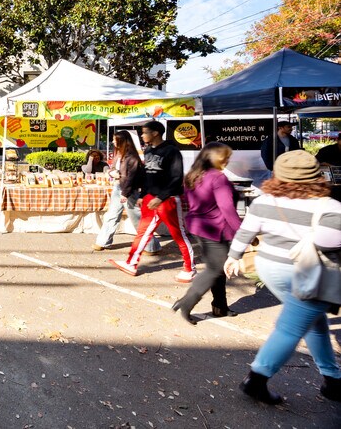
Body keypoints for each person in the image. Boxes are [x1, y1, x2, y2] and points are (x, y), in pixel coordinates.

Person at [224, 150, 341, 405]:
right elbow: (330, 241)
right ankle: (256, 379)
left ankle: (333, 378)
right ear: (316, 174)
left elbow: (245, 231)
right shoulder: (331, 207)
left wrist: (233, 256)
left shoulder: (264, 200)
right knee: (290, 328)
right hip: (310, 274)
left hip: (270, 268)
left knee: (313, 320)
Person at [109, 121, 196, 282]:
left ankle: (189, 268)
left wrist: (160, 197)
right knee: (143, 232)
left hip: (168, 199)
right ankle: (131, 263)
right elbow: (147, 177)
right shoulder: (148, 150)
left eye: (144, 132)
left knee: (178, 234)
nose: (142, 135)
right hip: (150, 199)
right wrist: (143, 195)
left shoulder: (172, 151)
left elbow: (177, 179)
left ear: (155, 133)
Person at [170, 143, 241, 325]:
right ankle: (187, 302)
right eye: (225, 157)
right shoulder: (217, 178)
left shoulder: (193, 176)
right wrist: (242, 233)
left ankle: (220, 307)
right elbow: (227, 208)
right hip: (215, 228)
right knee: (215, 269)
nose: (227, 160)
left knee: (218, 268)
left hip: (199, 226)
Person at [93, 131, 159, 253]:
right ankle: (103, 241)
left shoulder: (132, 157)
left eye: (114, 139)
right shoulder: (118, 154)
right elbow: (112, 169)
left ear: (122, 141)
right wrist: (111, 173)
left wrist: (125, 193)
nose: (112, 142)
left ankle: (151, 246)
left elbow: (130, 178)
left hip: (129, 191)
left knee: (138, 219)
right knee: (111, 215)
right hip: (118, 188)